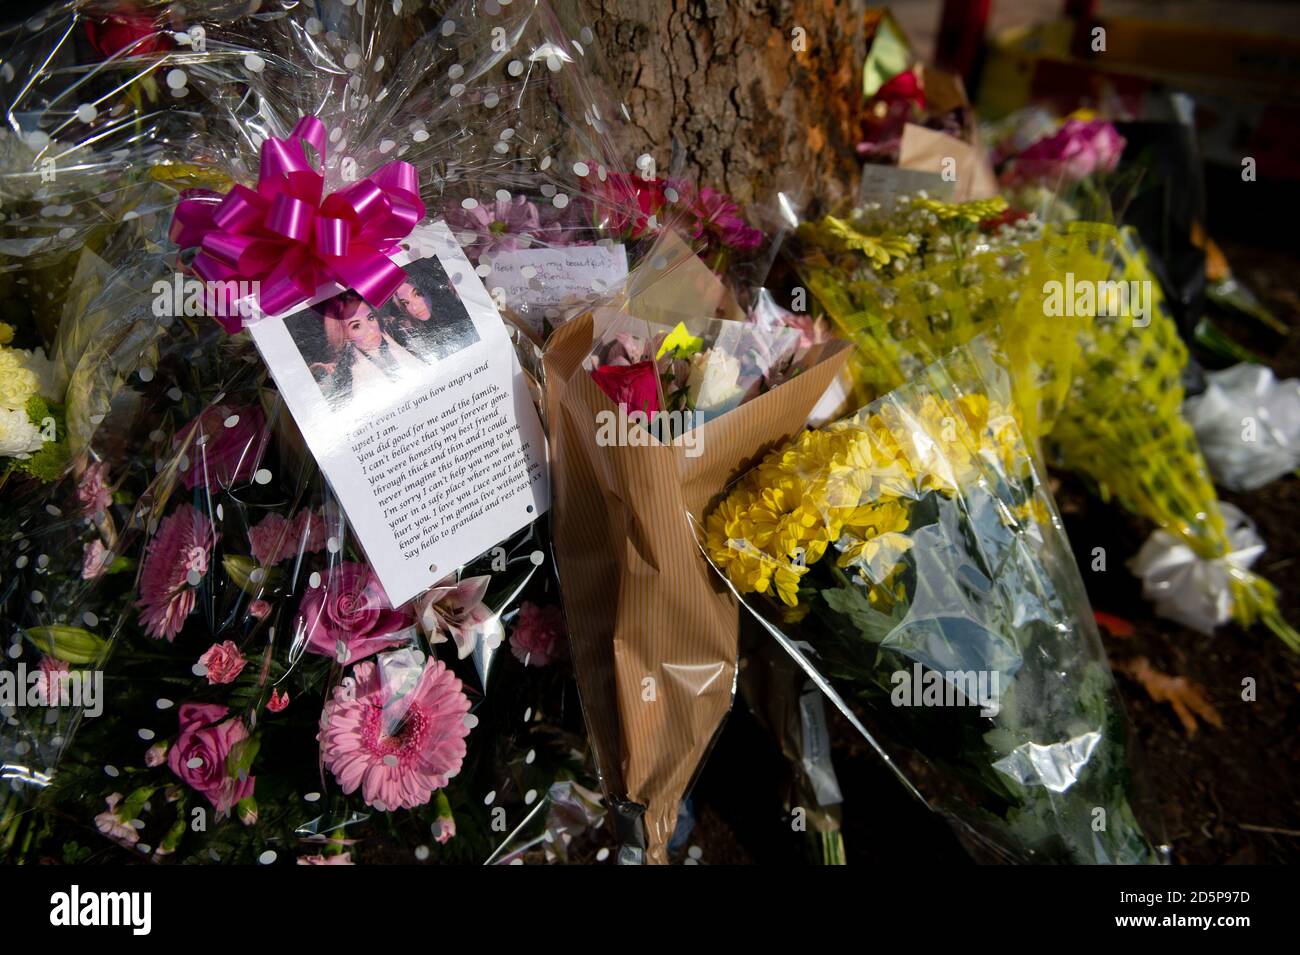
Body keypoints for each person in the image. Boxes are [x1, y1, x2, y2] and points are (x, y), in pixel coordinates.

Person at [314, 292, 428, 408]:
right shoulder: (346, 376)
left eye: (370, 318)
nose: (371, 329)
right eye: (356, 326)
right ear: (345, 336)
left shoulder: (401, 338)